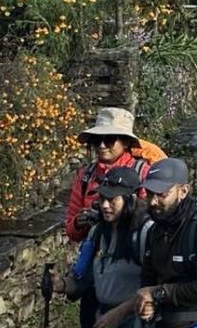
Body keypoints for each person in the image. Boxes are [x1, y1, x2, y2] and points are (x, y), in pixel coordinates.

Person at [66, 109, 156, 328]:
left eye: (109, 139)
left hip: (131, 274)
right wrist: (80, 222)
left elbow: (150, 218)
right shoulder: (86, 175)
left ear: (125, 142)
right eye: (97, 140)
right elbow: (70, 227)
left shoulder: (142, 173)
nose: (102, 146)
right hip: (96, 270)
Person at [135, 159, 197, 328]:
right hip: (166, 321)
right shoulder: (155, 230)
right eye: (149, 194)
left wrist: (158, 293)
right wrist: (148, 304)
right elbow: (148, 279)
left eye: (162, 194)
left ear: (183, 191)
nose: (153, 201)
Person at [52, 166, 148, 328]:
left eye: (112, 200)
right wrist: (61, 284)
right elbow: (84, 280)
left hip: (136, 321)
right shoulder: (97, 233)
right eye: (102, 198)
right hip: (102, 318)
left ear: (130, 199)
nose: (104, 205)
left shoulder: (145, 233)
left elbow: (156, 287)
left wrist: (119, 313)